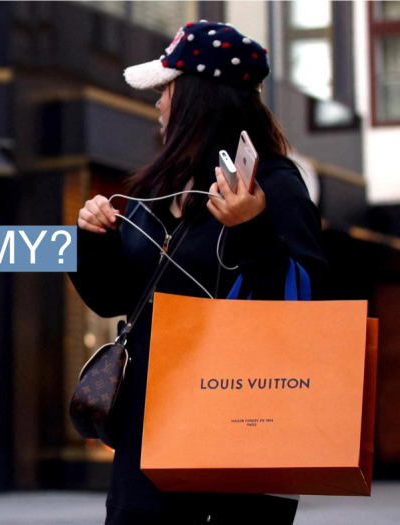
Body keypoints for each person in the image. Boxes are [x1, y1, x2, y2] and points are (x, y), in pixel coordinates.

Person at [68, 20, 328, 525]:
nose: (160, 104)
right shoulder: (159, 187)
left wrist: (252, 230)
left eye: (166, 89)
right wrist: (93, 241)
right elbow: (113, 298)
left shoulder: (274, 185)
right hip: (151, 432)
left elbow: (312, 310)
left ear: (196, 95)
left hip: (245, 429)